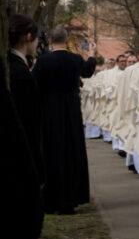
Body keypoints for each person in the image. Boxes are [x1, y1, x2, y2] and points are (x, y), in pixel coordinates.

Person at [33, 26, 96, 215]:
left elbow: (34, 84)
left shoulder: (43, 61)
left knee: (51, 150)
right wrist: (91, 55)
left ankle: (51, 200)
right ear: (67, 40)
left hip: (49, 111)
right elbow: (87, 71)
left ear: (50, 41)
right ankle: (70, 199)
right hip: (70, 110)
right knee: (70, 150)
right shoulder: (75, 59)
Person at [6, 15, 46, 239]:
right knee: (23, 221)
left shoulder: (15, 69)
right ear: (28, 36)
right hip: (19, 162)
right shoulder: (17, 73)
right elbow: (28, 127)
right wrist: (38, 168)